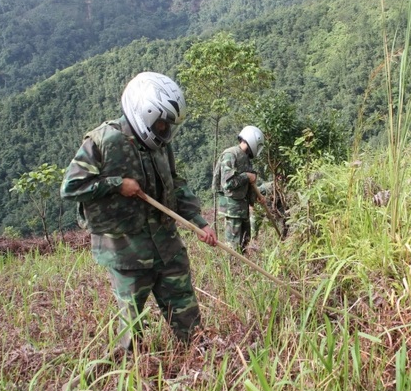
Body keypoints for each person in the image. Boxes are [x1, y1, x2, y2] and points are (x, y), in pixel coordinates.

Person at [60, 71, 217, 352]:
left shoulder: (160, 146)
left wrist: (200, 222)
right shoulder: (103, 141)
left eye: (168, 125)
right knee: (132, 328)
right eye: (161, 123)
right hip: (128, 253)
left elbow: (176, 185)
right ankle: (129, 380)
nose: (165, 130)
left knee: (187, 316)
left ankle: (200, 363)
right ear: (144, 111)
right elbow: (71, 187)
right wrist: (116, 184)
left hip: (167, 246)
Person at [212, 125, 266, 253]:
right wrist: (246, 176)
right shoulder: (231, 154)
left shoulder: (245, 158)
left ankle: (243, 271)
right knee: (233, 247)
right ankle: (231, 272)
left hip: (243, 208)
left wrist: (257, 197)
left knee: (245, 243)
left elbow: (248, 185)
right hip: (233, 209)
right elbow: (227, 183)